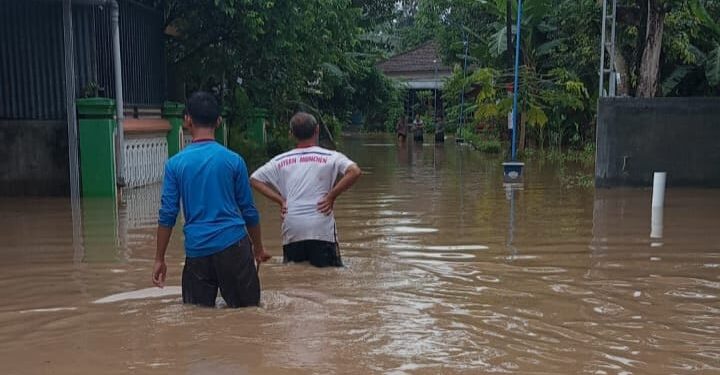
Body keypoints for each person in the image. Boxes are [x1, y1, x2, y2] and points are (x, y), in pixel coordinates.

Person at [152, 91, 271, 308]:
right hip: (234, 246)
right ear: (218, 121)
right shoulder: (234, 161)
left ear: (187, 120)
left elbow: (168, 215)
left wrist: (159, 259)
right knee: (249, 316)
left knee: (197, 320)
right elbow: (249, 210)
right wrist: (259, 248)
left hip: (197, 253)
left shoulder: (175, 165)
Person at [250, 112, 362, 268]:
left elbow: (254, 179)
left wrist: (281, 201)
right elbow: (355, 171)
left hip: (292, 226)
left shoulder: (279, 161)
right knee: (329, 276)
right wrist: (331, 197)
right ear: (317, 130)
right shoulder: (331, 156)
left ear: (291, 134)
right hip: (321, 227)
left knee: (295, 275)